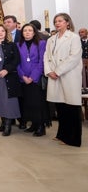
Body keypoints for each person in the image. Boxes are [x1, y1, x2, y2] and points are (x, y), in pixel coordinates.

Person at [44, 13, 83, 147]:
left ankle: (74, 139)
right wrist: (49, 71)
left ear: (67, 22)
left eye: (60, 21)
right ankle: (62, 135)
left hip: (68, 75)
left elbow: (74, 57)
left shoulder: (74, 37)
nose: (57, 23)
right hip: (54, 76)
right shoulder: (51, 39)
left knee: (71, 107)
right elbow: (46, 56)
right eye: (56, 21)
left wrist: (58, 71)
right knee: (60, 107)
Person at [17, 23, 48, 137]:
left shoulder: (41, 43)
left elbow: (42, 62)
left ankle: (41, 126)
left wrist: (32, 77)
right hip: (23, 78)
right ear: (22, 33)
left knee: (37, 103)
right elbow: (17, 63)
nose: (27, 32)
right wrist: (23, 76)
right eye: (25, 30)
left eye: (30, 30)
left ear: (34, 32)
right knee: (28, 103)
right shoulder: (18, 45)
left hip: (36, 78)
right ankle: (33, 124)